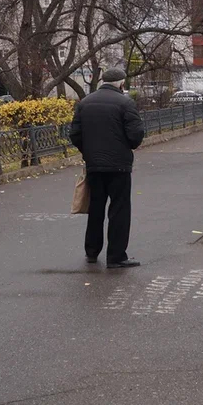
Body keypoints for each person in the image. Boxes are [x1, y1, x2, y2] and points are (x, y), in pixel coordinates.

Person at [69, 67, 145, 268]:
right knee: (119, 209)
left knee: (95, 208)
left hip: (94, 165)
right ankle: (116, 256)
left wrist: (88, 152)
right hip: (119, 166)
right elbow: (136, 135)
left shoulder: (85, 103)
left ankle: (92, 252)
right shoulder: (126, 103)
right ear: (121, 83)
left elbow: (75, 133)